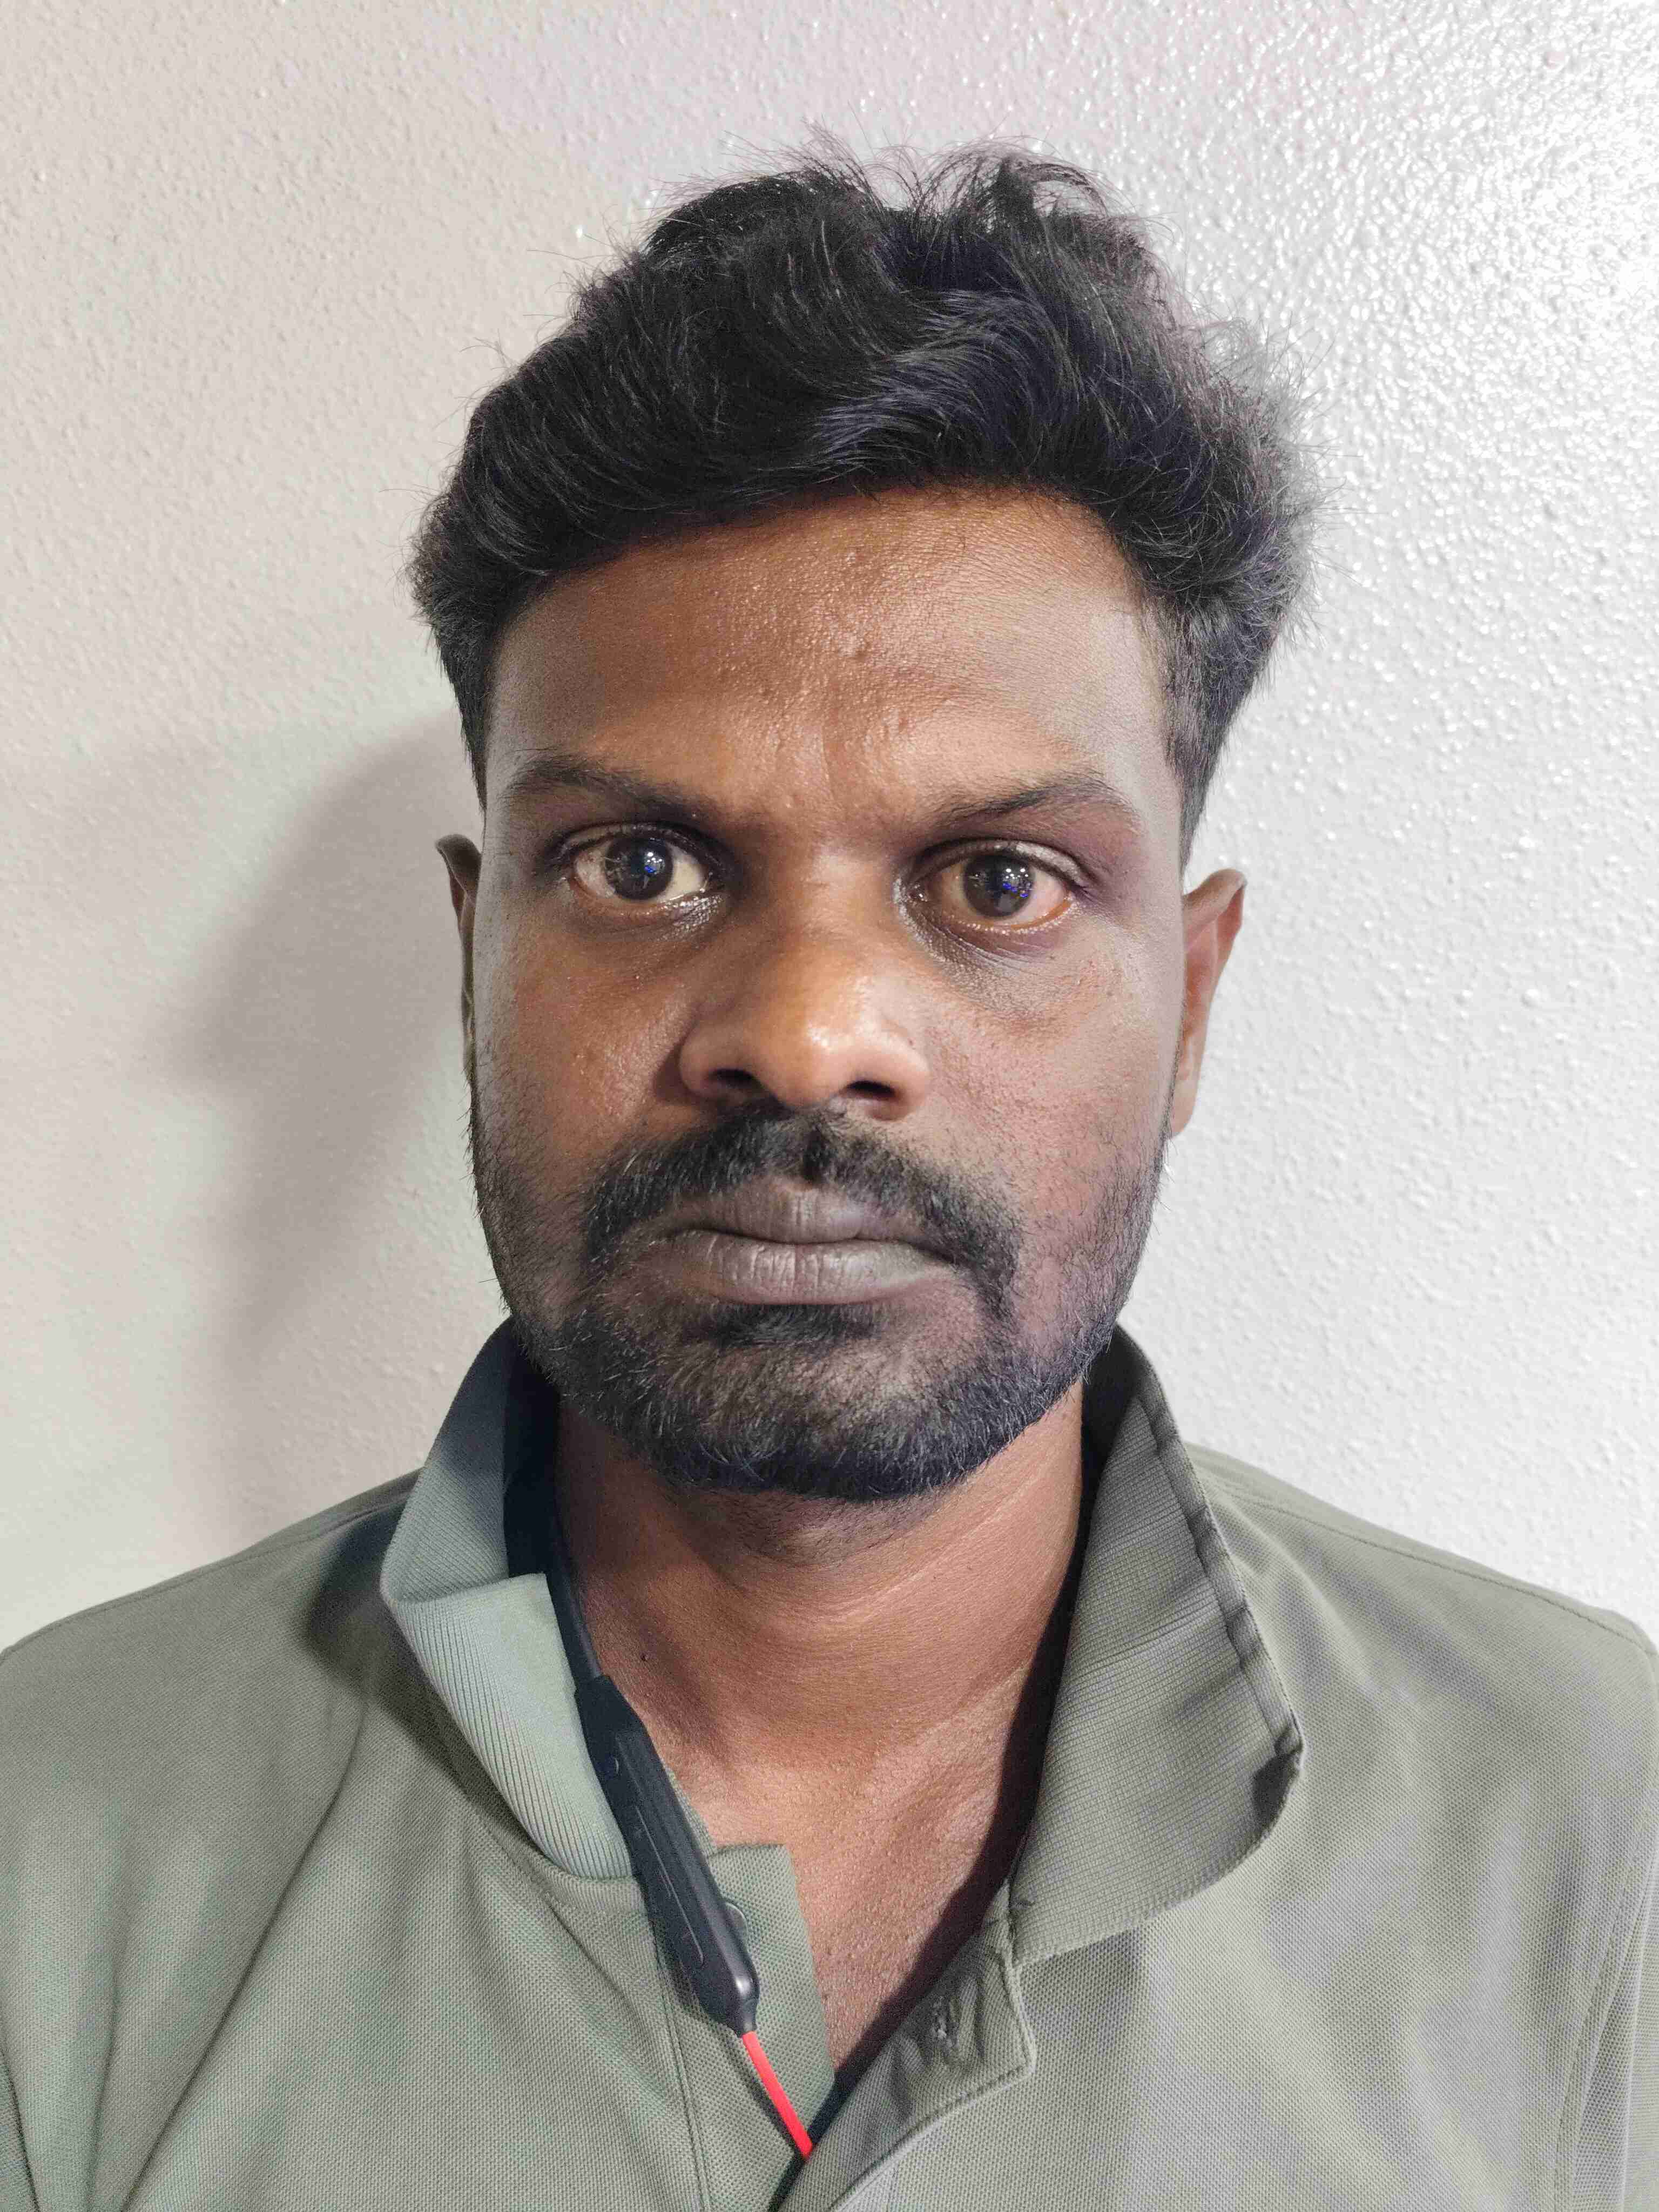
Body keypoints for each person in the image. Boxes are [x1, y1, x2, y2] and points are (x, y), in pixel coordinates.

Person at [4, 132, 1654, 2210]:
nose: (803, 1032)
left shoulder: (1600, 1837)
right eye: (641, 865)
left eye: (999, 881)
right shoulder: (41, 1851)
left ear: (1194, 1002)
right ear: (475, 958)